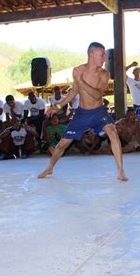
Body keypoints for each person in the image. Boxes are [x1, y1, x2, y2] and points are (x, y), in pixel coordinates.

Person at [38, 42, 127, 181]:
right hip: (82, 114)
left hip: (99, 112)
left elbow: (97, 95)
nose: (104, 58)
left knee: (112, 132)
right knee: (62, 145)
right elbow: (74, 91)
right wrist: (58, 106)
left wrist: (81, 81)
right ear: (91, 55)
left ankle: (121, 171)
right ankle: (49, 168)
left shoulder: (104, 74)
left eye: (104, 55)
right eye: (101, 55)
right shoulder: (78, 71)